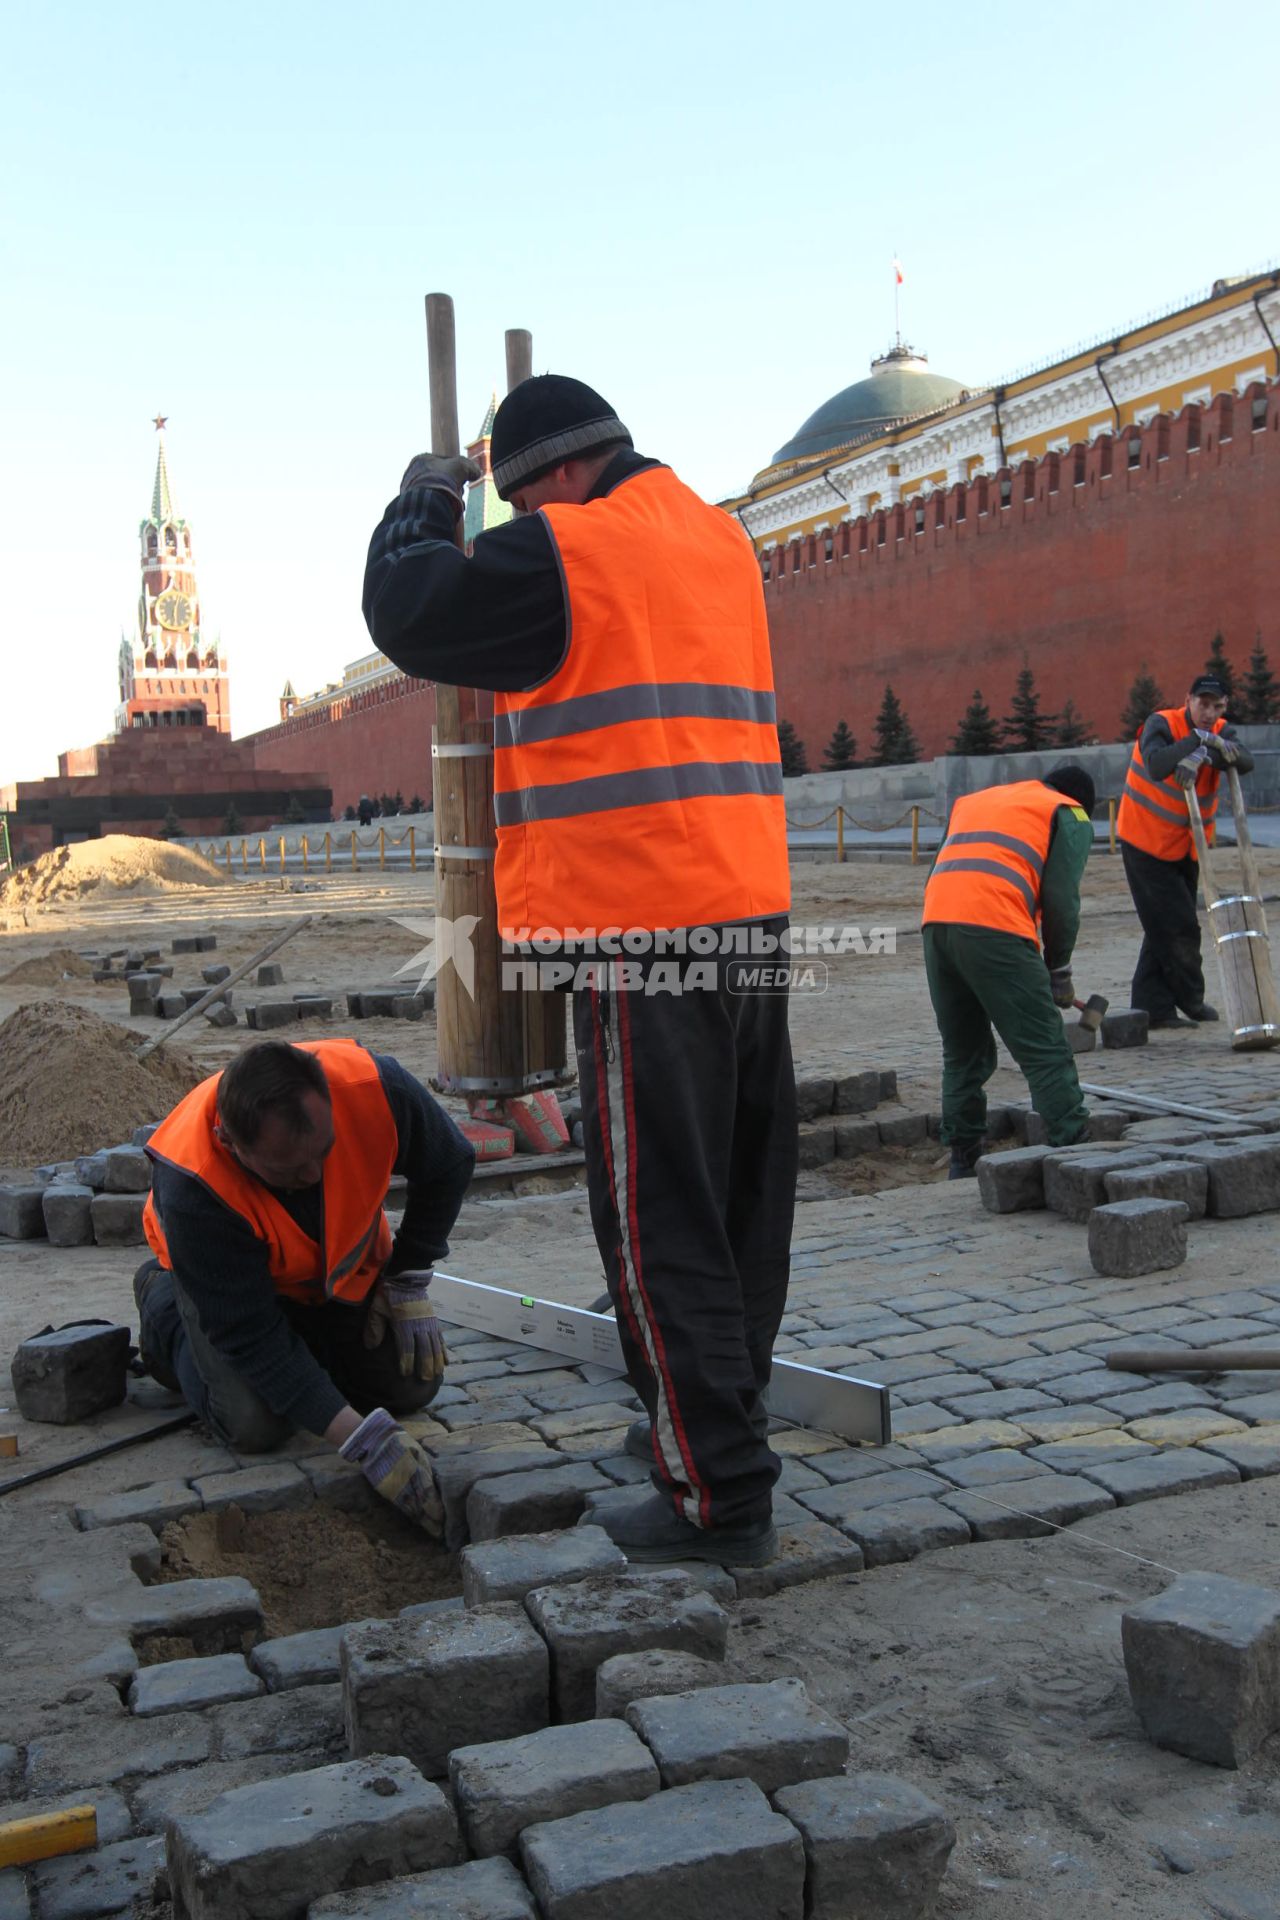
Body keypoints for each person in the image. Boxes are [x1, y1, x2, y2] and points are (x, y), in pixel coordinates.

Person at [362, 374, 796, 1568]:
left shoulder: (578, 549)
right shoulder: (715, 539)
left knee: (660, 1222)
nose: (517, 519)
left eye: (514, 496)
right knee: (740, 1207)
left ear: (551, 474)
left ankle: (714, 1498)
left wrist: (423, 501)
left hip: (638, 928)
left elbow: (411, 610)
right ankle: (706, 1436)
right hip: (744, 916)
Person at [133, 1039, 475, 1534]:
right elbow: (250, 1335)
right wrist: (362, 1441)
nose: (313, 1175)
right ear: (231, 1143)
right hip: (226, 1291)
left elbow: (450, 1162)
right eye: (287, 1169)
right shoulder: (193, 1183)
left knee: (410, 1385)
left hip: (325, 1272)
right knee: (255, 1423)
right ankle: (163, 1309)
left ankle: (305, 1349)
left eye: (323, 1153)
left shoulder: (374, 1088)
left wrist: (408, 1276)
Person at [922, 765, 1097, 1176]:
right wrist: (1059, 969)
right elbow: (1061, 901)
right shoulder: (1069, 812)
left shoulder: (978, 801)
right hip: (995, 926)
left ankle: (964, 1156)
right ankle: (1076, 1147)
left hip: (936, 927)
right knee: (1044, 1047)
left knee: (963, 1049)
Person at [1116, 674, 1253, 1028]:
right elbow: (1158, 764)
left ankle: (1152, 1008)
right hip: (1144, 843)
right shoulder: (1161, 723)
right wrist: (1199, 741)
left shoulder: (1223, 729)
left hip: (1186, 848)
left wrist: (1208, 751)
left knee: (1160, 925)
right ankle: (1191, 999)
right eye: (1203, 704)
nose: (1209, 712)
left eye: (1216, 706)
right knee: (1179, 927)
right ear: (1188, 699)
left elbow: (1244, 761)